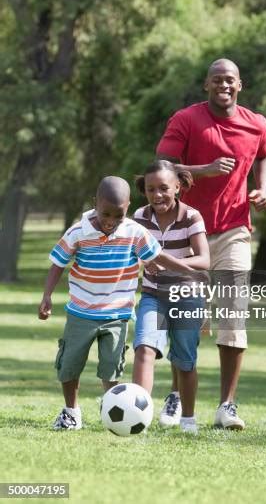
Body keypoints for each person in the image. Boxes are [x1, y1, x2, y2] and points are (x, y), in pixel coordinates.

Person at [156, 58, 266, 429]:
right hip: (189, 231)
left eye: (230, 80)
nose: (224, 85)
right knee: (187, 318)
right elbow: (163, 166)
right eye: (217, 80)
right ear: (206, 85)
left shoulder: (257, 124)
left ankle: (227, 406)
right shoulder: (186, 119)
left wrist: (263, 187)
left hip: (235, 229)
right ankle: (176, 397)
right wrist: (203, 171)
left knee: (233, 317)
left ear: (240, 85)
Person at [38, 176, 196, 430]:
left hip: (117, 315)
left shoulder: (134, 232)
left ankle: (113, 408)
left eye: (118, 215)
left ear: (128, 207)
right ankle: (71, 412)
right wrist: (47, 295)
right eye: (105, 214)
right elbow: (58, 262)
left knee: (111, 369)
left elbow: (158, 256)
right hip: (81, 312)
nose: (110, 221)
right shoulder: (78, 231)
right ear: (95, 204)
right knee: (69, 365)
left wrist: (189, 271)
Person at [132, 160, 210, 434]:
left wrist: (166, 262)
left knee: (184, 360)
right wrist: (142, 262)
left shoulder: (191, 217)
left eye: (164, 188)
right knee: (144, 348)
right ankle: (137, 416)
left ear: (177, 187)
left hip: (187, 294)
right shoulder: (139, 217)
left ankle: (188, 419)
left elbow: (204, 259)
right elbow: (131, 251)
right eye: (151, 189)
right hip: (153, 294)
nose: (157, 195)